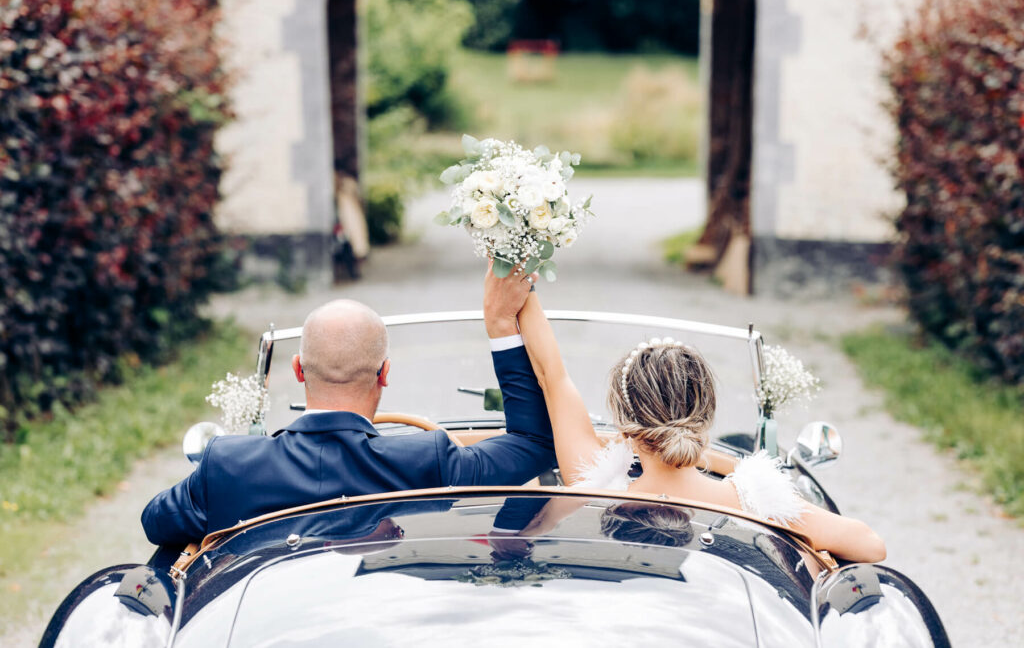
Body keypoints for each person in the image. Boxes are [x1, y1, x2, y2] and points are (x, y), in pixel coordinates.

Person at [142, 279, 552, 548]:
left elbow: (155, 523)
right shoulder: (428, 459)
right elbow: (534, 443)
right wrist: (502, 324)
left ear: (299, 369)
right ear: (385, 374)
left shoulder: (228, 463)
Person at [507, 283, 887, 563]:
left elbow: (551, 376)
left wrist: (519, 260)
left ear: (626, 428)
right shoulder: (756, 500)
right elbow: (871, 545)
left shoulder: (592, 481)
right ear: (703, 418)